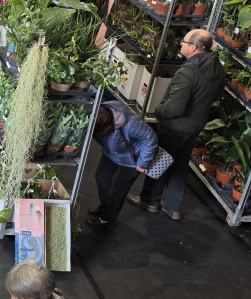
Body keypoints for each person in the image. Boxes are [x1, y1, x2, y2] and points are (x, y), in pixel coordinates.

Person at [129, 28, 224, 219]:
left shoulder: (188, 72)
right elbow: (217, 95)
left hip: (175, 127)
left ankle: (150, 201)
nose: (181, 44)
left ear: (195, 48)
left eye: (184, 41)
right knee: (180, 165)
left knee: (160, 160)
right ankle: (173, 207)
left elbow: (175, 108)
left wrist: (158, 111)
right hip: (194, 126)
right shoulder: (216, 66)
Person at [88, 101, 158, 228]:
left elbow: (150, 138)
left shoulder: (131, 124)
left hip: (132, 159)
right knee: (102, 178)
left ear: (109, 126)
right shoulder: (98, 114)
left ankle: (107, 220)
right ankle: (104, 208)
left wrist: (143, 162)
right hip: (112, 153)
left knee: (116, 189)